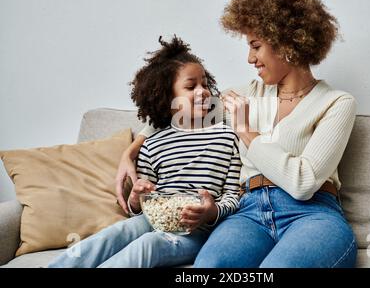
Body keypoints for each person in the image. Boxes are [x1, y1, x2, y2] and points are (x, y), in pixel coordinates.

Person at [116, 0, 358, 268]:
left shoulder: (336, 103)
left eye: (256, 46)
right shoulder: (247, 95)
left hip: (312, 213)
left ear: (286, 42)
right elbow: (180, 109)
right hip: (249, 213)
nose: (249, 58)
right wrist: (131, 151)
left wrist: (246, 132)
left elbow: (303, 182)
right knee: (208, 268)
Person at [48, 36, 241, 268]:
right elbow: (141, 205)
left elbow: (233, 195)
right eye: (191, 86)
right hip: (152, 220)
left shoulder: (226, 138)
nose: (202, 91)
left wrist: (212, 212)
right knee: (117, 231)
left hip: (193, 233)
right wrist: (137, 199)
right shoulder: (153, 143)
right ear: (168, 96)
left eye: (205, 84)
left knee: (148, 244)